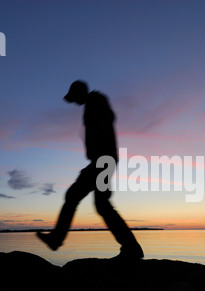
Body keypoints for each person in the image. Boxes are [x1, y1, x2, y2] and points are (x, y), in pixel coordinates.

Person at [37, 80, 144, 261]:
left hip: (103, 161)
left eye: (74, 98)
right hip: (102, 161)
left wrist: (95, 144)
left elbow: (106, 121)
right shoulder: (93, 103)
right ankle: (131, 248)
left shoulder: (95, 101)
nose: (73, 103)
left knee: (78, 197)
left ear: (80, 93)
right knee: (99, 204)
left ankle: (57, 239)